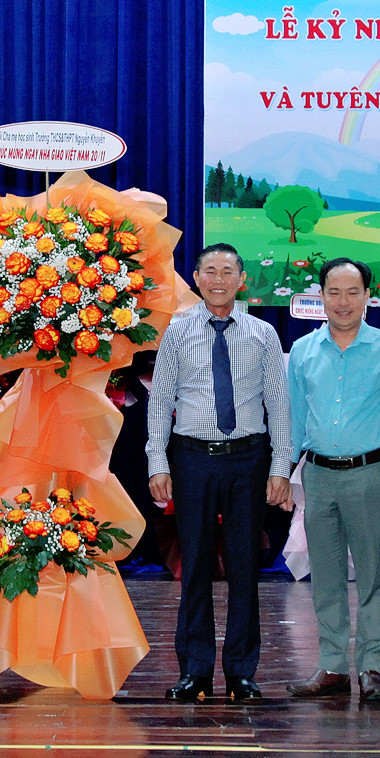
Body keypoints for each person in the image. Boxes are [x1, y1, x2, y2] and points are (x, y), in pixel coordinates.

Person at [145, 244, 293, 703]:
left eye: (228, 271)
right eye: (210, 271)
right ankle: (195, 670)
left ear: (242, 280)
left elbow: (279, 404)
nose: (219, 279)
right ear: (196, 278)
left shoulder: (263, 333)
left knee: (245, 567)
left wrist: (280, 466)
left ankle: (242, 672)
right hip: (192, 459)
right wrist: (157, 461)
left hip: (248, 459)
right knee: (195, 566)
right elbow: (160, 400)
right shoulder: (176, 331)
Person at [285, 259, 380, 705]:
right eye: (334, 292)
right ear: (321, 296)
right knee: (326, 578)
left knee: (372, 577)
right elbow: (295, 420)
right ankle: (333, 667)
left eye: (353, 292)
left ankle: (372, 667)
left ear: (368, 296)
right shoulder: (302, 351)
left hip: (369, 476)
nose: (343, 302)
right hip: (319, 476)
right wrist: (282, 472)